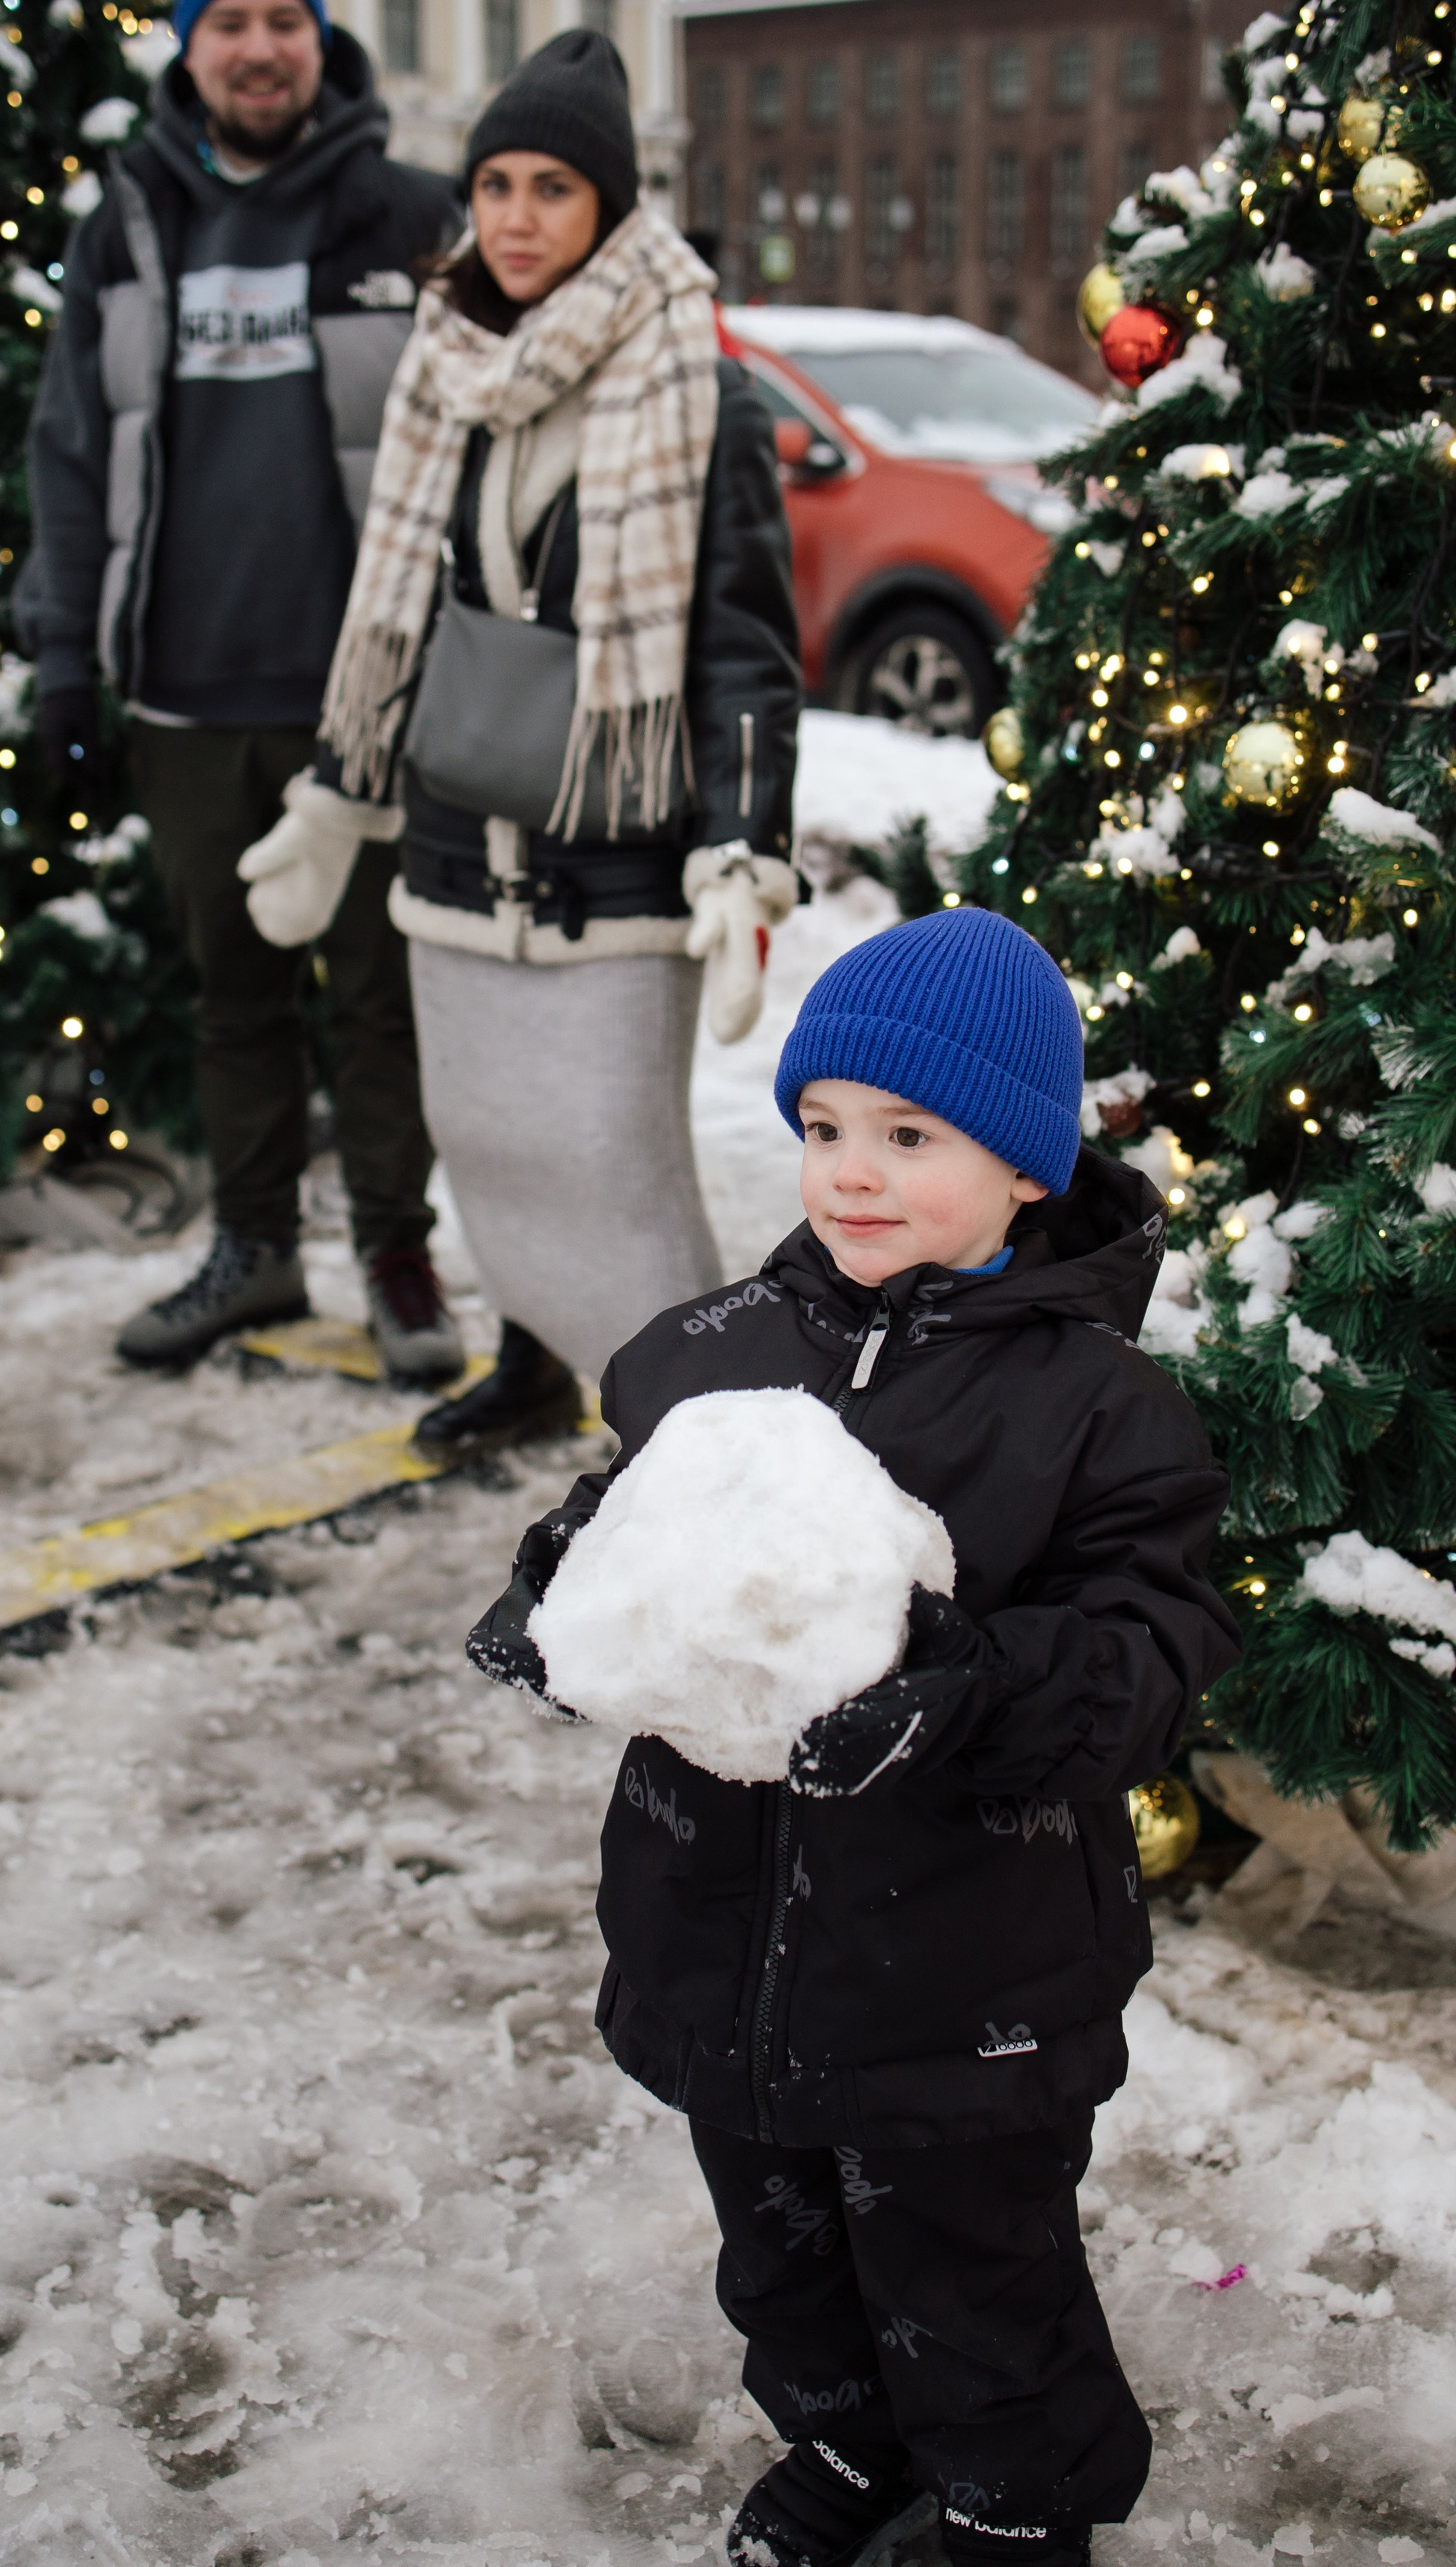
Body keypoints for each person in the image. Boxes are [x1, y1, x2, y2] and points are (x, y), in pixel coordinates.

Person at [466, 905, 1238, 2567]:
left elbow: (1153, 1645)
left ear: (1027, 1167)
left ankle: (1015, 2503)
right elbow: (631, 1517)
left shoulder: (1097, 1409)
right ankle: (846, 2442)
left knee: (970, 2269)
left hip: (962, 1971)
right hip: (714, 1930)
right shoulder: (727, 1349)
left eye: (908, 1136)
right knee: (781, 2257)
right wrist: (563, 1592)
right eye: (823, 1129)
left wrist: (971, 1685)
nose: (852, 1172)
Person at [239, 29, 801, 1452]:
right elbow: (400, 616)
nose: (515, 216)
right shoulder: (448, 380)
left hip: (605, 860)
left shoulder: (698, 390)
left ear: (611, 210)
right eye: (494, 184)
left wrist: (741, 852)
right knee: (486, 1146)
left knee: (611, 1165)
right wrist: (336, 797)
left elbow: (744, 640)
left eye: (554, 187)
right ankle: (538, 1360)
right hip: (450, 841)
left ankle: (699, 1435)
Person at [18, 0, 466, 1381]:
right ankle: (255, 1252)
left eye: (282, 20)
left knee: (380, 995)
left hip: (367, 697)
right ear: (189, 46)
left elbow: (477, 444)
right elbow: (71, 456)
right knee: (235, 993)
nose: (258, 49)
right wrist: (65, 665)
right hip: (185, 694)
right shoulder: (125, 226)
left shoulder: (408, 215)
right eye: (230, 25)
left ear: (316, 37)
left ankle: (398, 1262)